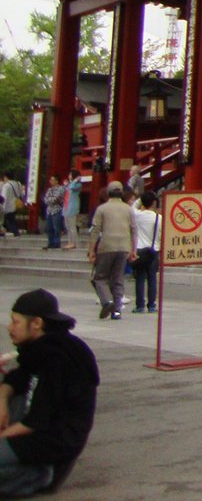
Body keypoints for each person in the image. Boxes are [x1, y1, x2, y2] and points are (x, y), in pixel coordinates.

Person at [0, 289, 99, 497]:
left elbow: (37, 421)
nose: (10, 327)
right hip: (35, 424)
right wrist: (2, 401)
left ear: (36, 323)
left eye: (15, 322)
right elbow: (16, 378)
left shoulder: (60, 358)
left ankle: (39, 474)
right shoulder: (39, 347)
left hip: (53, 439)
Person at [87, 182, 134, 320]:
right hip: (124, 247)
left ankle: (107, 302)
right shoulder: (128, 209)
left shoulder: (102, 209)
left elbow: (95, 230)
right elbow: (134, 229)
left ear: (108, 193)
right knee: (118, 279)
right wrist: (133, 249)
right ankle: (117, 310)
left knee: (100, 277)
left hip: (106, 246)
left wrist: (91, 250)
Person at [129, 192, 160, 314]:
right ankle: (152, 304)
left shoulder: (137, 215)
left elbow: (132, 208)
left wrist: (139, 200)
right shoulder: (159, 218)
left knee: (140, 277)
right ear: (153, 203)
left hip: (140, 249)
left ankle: (140, 305)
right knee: (152, 278)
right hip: (153, 249)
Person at [39, 181, 64, 252]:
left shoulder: (61, 189)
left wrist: (50, 200)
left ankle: (56, 243)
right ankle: (50, 243)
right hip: (49, 210)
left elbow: (56, 198)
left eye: (53, 180)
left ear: (56, 181)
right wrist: (49, 200)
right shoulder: (49, 189)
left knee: (57, 228)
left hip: (57, 209)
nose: (51, 181)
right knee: (49, 228)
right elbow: (46, 199)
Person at [61, 177, 81, 251]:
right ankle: (70, 242)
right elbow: (63, 192)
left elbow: (72, 187)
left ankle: (74, 243)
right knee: (68, 227)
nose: (69, 176)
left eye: (70, 174)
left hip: (72, 208)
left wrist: (74, 181)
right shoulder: (69, 185)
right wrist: (65, 185)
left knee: (72, 227)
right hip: (66, 207)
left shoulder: (78, 185)